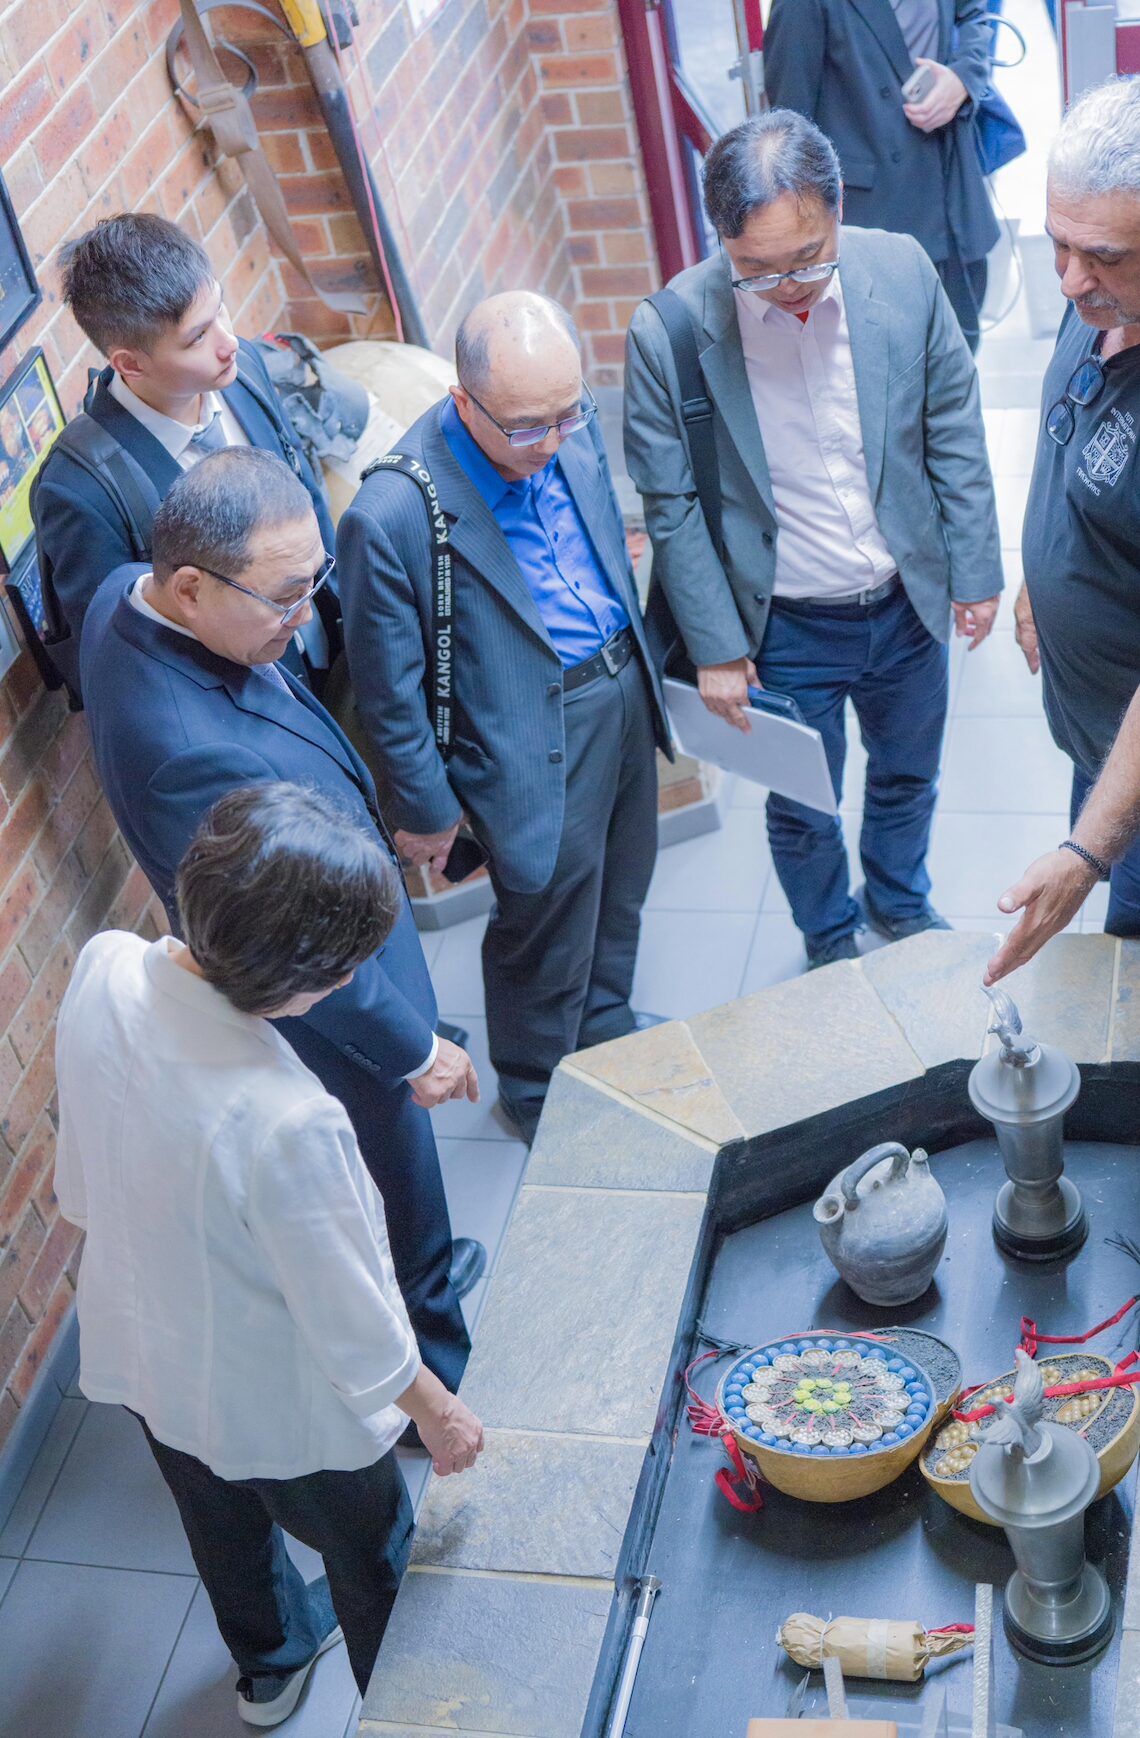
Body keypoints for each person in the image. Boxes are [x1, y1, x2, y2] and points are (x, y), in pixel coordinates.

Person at [54, 783, 484, 1725]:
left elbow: (81, 1168)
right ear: (291, 981)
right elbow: (352, 1319)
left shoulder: (106, 962)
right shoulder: (289, 1119)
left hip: (141, 1337)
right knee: (372, 1555)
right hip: (275, 1398)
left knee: (218, 1522)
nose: (348, 983)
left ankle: (270, 1666)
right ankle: (403, 1711)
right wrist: (442, 1413)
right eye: (342, 971)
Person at [79, 446, 484, 1396]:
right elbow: (294, 941)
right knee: (390, 1183)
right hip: (332, 1008)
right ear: (189, 586)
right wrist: (411, 1049)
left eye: (313, 581)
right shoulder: (187, 755)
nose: (306, 616)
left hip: (340, 915)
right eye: (285, 597)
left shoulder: (122, 593)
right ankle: (428, 1368)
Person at [624, 110, 1002, 969]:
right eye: (756, 269)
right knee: (802, 805)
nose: (787, 286)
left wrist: (976, 570)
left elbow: (952, 424)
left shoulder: (900, 270)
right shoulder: (669, 331)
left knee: (908, 774)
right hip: (783, 624)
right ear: (721, 239)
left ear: (837, 209)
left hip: (905, 601)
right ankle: (828, 939)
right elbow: (672, 504)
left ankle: (899, 899)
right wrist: (717, 649)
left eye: (807, 258)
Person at [337, 291, 670, 1145]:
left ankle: (606, 1027)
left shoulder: (563, 422)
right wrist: (427, 808)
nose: (553, 441)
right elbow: (388, 690)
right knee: (544, 923)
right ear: (464, 402)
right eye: (527, 427)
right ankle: (535, 1091)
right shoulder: (392, 513)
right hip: (524, 735)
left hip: (620, 687)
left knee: (624, 879)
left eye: (568, 413)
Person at [32, 212, 339, 694]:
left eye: (220, 309)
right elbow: (119, 661)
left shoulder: (244, 371)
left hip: (328, 645)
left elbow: (306, 492)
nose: (228, 342)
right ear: (130, 364)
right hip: (245, 705)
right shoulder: (80, 490)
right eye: (197, 337)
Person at [988, 78, 1140, 983]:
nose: (1069, 279)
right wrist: (1040, 577)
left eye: (1104, 256)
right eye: (1058, 243)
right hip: (1102, 747)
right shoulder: (1103, 306)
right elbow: (1069, 447)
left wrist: (1086, 852)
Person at [763, 0, 1000, 352]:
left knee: (962, 346)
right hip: (877, 214)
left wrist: (964, 78)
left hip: (953, 193)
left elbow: (973, 15)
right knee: (895, 362)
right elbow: (791, 125)